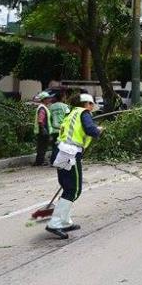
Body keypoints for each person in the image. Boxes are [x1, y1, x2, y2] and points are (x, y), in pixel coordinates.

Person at [46, 94, 102, 239]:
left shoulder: (71, 114)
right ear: (87, 104)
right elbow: (90, 130)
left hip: (60, 152)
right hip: (69, 154)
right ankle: (55, 223)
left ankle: (64, 221)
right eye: (91, 104)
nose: (92, 107)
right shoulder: (84, 113)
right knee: (74, 190)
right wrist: (98, 130)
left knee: (67, 188)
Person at [33, 92, 53, 166]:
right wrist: (43, 129)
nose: (50, 99)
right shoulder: (42, 108)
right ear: (44, 99)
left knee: (42, 146)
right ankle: (39, 161)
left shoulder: (43, 107)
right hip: (43, 131)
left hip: (42, 130)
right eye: (48, 98)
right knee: (42, 147)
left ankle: (39, 161)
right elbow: (40, 120)